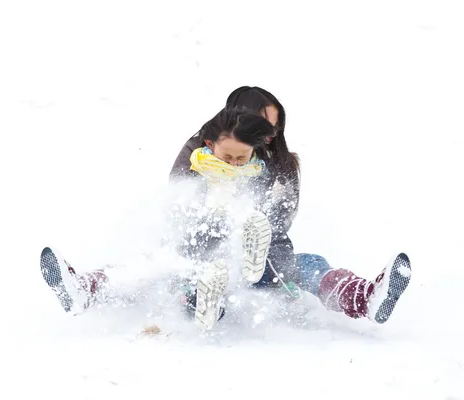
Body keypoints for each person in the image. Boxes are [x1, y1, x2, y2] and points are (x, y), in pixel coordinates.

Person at [170, 86, 412, 327]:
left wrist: (262, 222)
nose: (269, 135)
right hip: (204, 249)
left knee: (307, 265)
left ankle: (362, 297)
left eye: (274, 128)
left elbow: (281, 221)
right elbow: (181, 202)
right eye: (262, 125)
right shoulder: (200, 153)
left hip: (263, 256)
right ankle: (204, 303)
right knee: (203, 273)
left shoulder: (276, 164)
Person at [39, 106, 276, 331]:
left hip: (231, 253)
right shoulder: (195, 161)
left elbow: (275, 219)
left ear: (253, 152)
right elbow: (178, 202)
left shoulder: (260, 173)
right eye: (226, 157)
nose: (233, 164)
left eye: (241, 159)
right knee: (152, 268)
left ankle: (217, 293)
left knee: (215, 273)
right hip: (188, 243)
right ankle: (84, 288)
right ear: (209, 144)